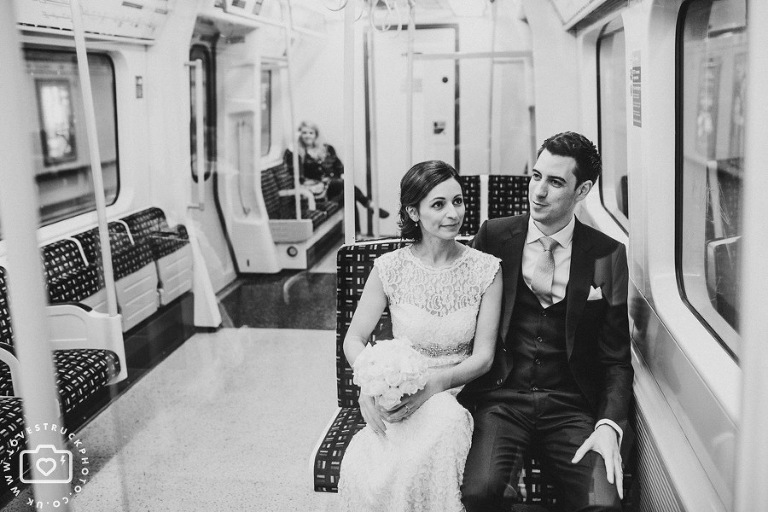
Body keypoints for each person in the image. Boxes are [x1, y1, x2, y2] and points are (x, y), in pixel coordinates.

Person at [459, 131, 633, 512]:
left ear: (582, 189)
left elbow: (617, 359)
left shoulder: (608, 255)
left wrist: (607, 424)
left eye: (555, 182)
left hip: (570, 406)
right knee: (480, 492)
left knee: (604, 505)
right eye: (535, 176)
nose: (538, 191)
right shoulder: (494, 235)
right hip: (503, 399)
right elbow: (458, 315)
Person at [339, 160, 503, 512]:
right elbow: (354, 339)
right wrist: (370, 385)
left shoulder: (486, 269)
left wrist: (431, 388)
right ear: (413, 212)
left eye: (457, 201)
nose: (453, 213)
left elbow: (484, 358)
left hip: (457, 393)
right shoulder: (390, 268)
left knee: (436, 438)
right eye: (439, 204)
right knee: (375, 475)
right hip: (398, 393)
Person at [283, 121, 389, 227]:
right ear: (300, 135)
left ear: (316, 135)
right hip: (317, 190)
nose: (307, 136)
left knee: (349, 195)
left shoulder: (327, 149)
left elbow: (339, 166)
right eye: (304, 133)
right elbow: (299, 175)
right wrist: (295, 146)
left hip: (334, 186)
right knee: (348, 192)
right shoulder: (297, 153)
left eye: (311, 133)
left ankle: (357, 233)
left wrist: (342, 176)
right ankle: (371, 206)